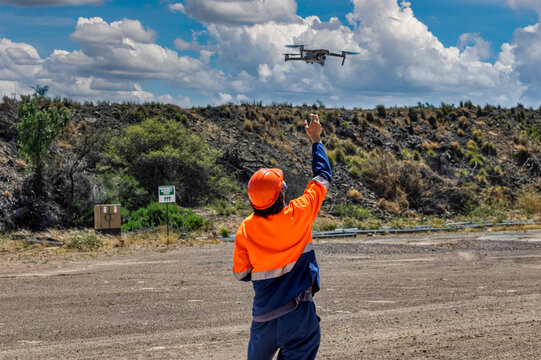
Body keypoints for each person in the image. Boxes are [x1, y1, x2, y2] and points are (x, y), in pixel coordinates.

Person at [232, 113, 332, 360]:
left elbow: (241, 273)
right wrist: (316, 139)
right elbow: (322, 177)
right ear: (282, 195)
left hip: (263, 318)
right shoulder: (300, 213)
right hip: (298, 316)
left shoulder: (245, 228)